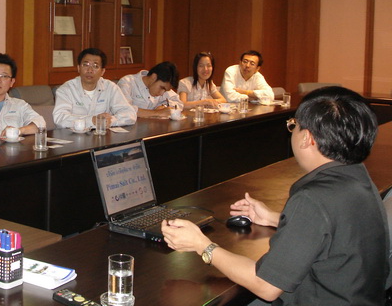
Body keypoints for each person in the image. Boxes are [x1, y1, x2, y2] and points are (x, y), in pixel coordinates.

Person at [161, 86, 389, 305]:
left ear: (306, 138)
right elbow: (334, 231)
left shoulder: (312, 198)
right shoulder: (357, 176)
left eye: (294, 126)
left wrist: (202, 245)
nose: (292, 131)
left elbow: (267, 286)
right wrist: (273, 218)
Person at [53, 48, 136, 129]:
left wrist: (110, 120)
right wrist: (92, 121)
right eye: (85, 65)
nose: (90, 70)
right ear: (78, 68)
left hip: (103, 136)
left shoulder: (110, 87)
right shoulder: (66, 90)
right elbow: (60, 118)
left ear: (102, 71)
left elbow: (130, 114)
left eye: (95, 66)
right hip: (74, 136)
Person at [117, 61, 183, 118]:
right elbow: (125, 109)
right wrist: (157, 113)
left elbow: (179, 103)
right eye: (162, 88)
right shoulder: (127, 83)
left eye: (165, 90)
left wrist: (164, 106)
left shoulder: (163, 85)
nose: (162, 93)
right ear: (154, 77)